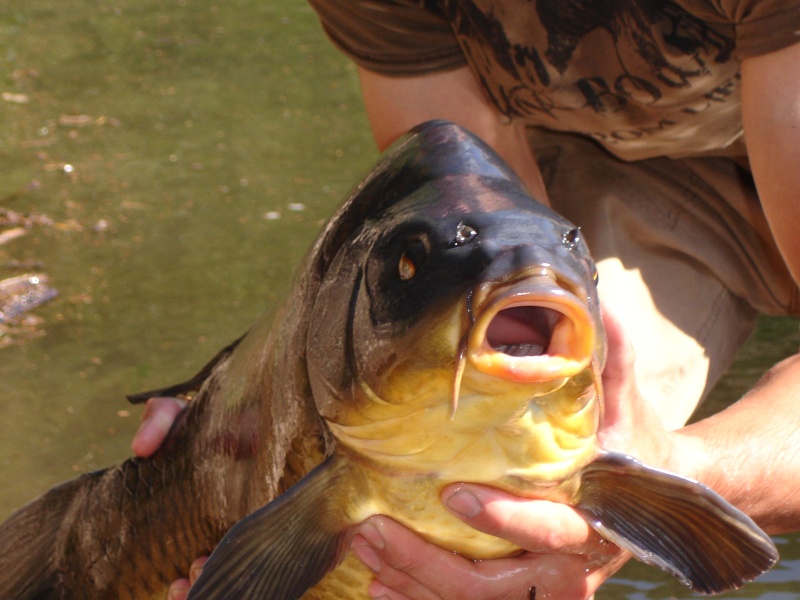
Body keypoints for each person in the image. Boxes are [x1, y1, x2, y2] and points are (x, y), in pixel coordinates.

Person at [134, 1, 800, 598]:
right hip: (626, 171)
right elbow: (461, 205)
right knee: (503, 489)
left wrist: (686, 471)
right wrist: (255, 388)